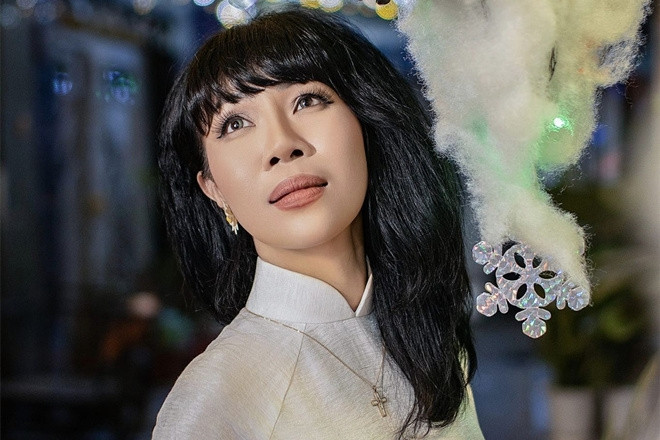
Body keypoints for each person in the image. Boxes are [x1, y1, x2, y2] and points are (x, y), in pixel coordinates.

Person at [153, 7, 483, 440]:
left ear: (366, 123)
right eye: (235, 123)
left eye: (307, 100)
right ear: (213, 188)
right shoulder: (218, 399)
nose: (282, 145)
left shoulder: (432, 341)